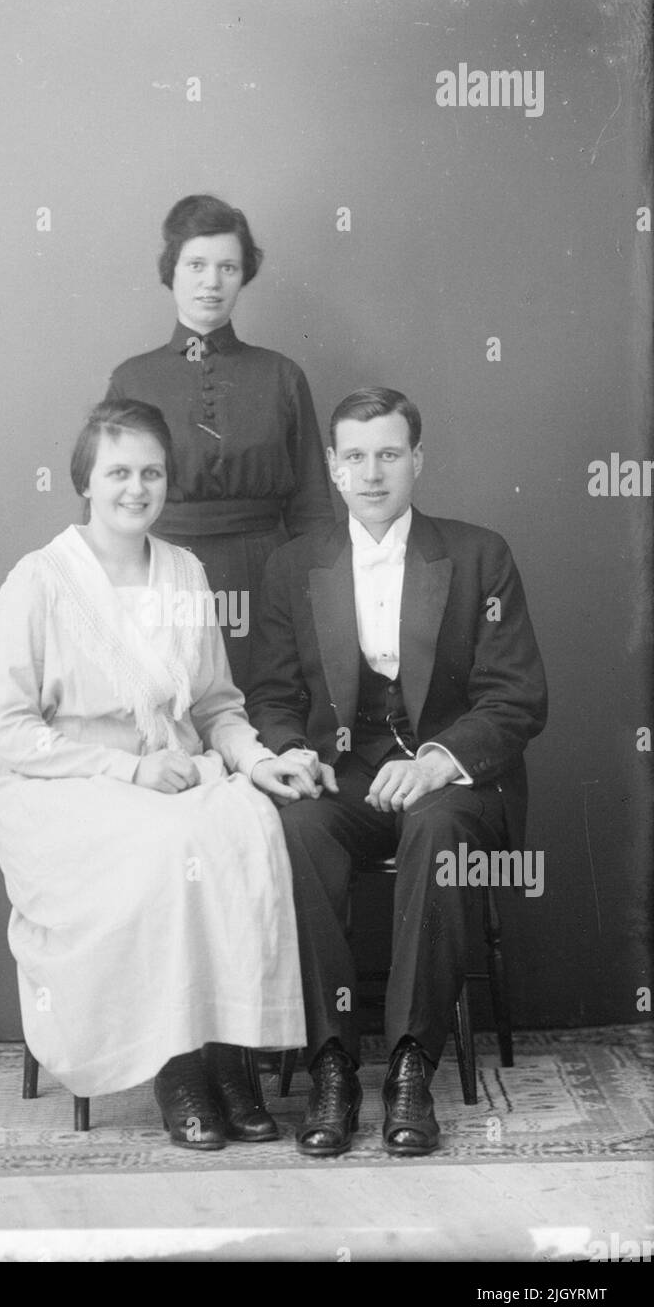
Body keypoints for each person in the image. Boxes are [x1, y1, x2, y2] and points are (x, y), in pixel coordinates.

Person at [0, 398, 313, 1151]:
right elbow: (7, 730)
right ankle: (178, 1066)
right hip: (65, 785)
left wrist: (260, 761)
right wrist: (126, 768)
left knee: (248, 826)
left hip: (177, 772)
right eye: (119, 472)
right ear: (86, 482)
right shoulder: (37, 581)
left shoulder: (185, 572)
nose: (137, 488)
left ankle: (230, 1055)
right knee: (167, 853)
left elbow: (218, 705)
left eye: (152, 473)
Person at [246, 387, 548, 1157]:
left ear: (416, 460)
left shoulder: (478, 554)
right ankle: (332, 1066)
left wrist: (441, 760)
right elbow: (274, 696)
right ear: (332, 466)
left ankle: (412, 1065)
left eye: (388, 454)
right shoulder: (293, 566)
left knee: (438, 824)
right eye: (354, 456)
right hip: (343, 774)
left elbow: (516, 697)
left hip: (451, 781)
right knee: (296, 826)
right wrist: (289, 753)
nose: (371, 472)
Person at [105, 194, 335, 694]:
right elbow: (103, 508)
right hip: (159, 571)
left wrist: (315, 601)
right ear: (172, 270)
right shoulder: (132, 379)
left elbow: (313, 507)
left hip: (262, 575)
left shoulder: (281, 376)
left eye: (228, 267)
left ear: (243, 275)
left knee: (261, 717)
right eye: (197, 265)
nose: (212, 282)